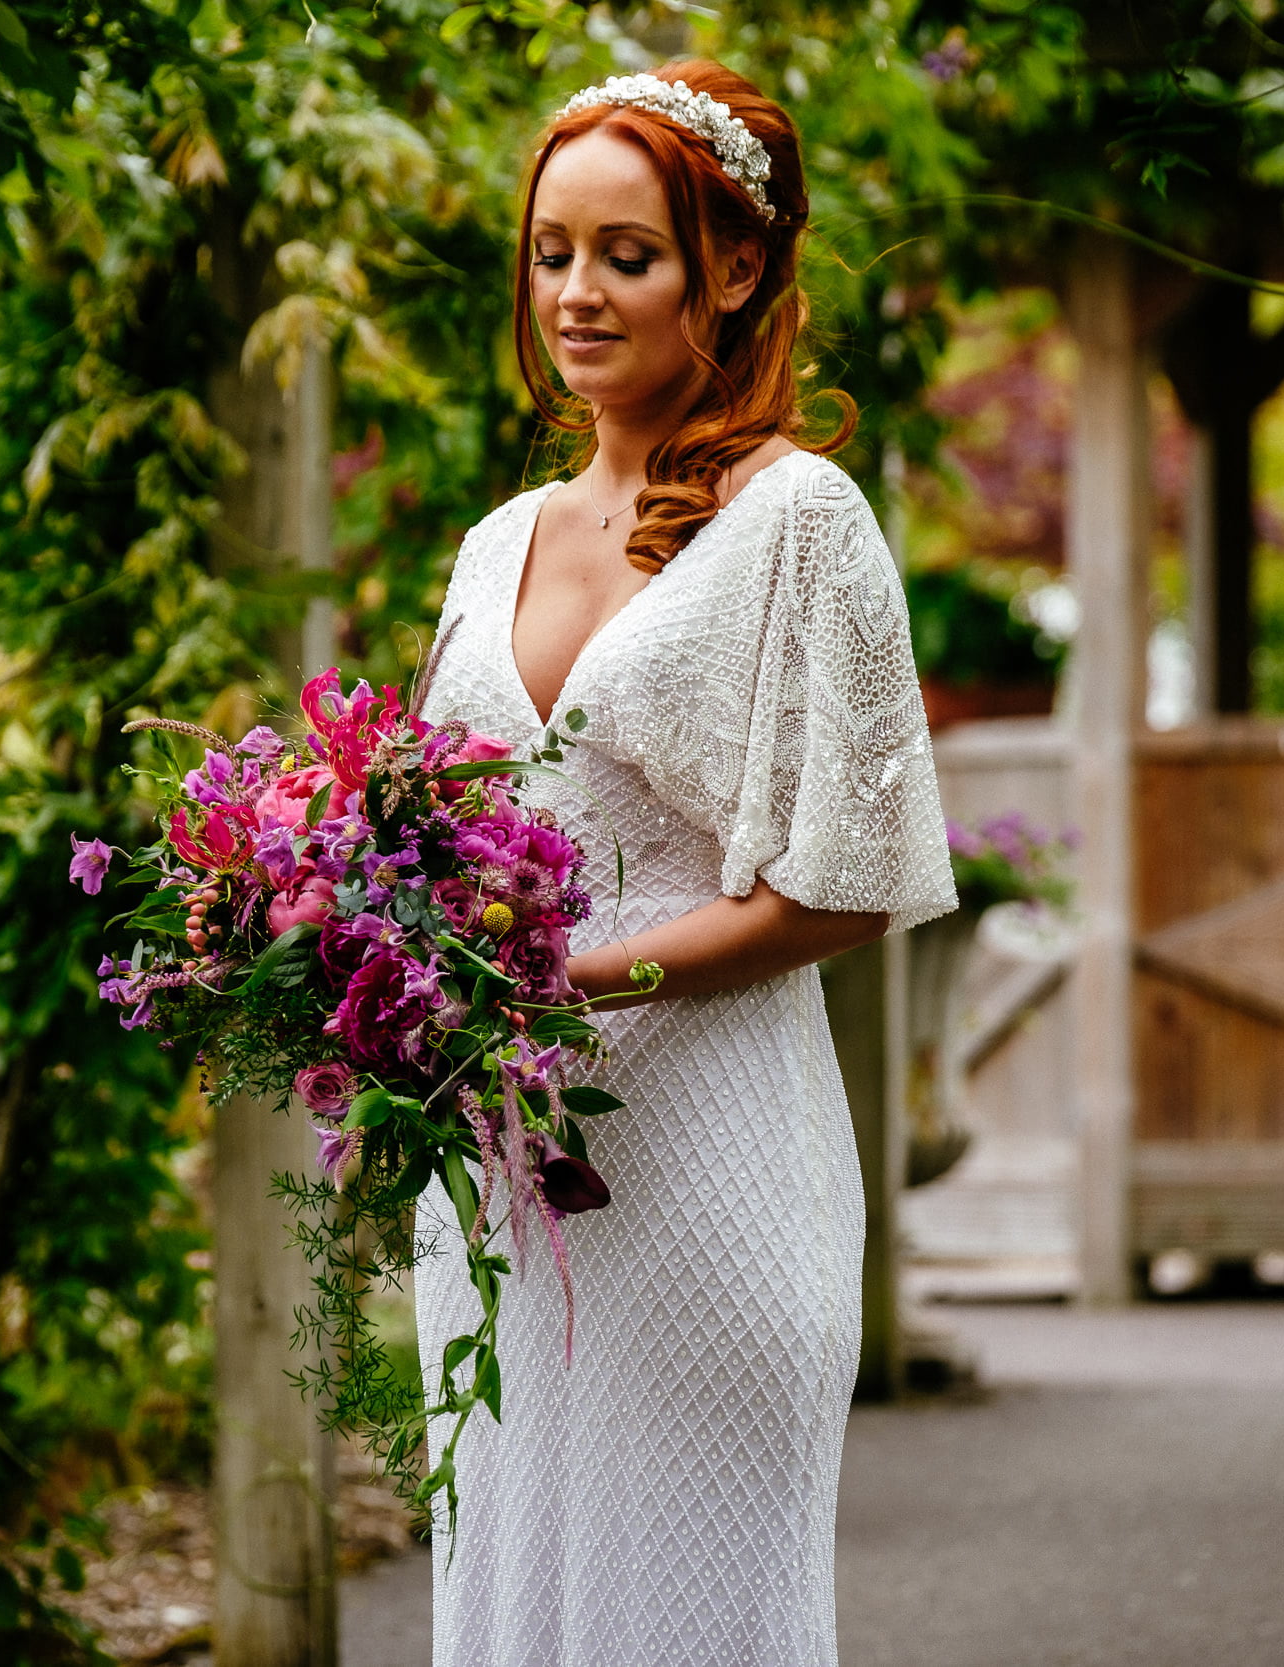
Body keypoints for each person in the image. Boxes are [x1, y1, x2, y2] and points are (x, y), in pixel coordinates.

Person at [413, 59, 957, 1667]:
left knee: (693, 1614)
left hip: (714, 1159)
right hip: (510, 1181)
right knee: (511, 1587)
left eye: (626, 255)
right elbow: (449, 826)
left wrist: (573, 974)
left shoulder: (806, 522)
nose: (577, 294)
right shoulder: (494, 541)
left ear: (731, 267)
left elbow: (847, 886)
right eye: (551, 252)